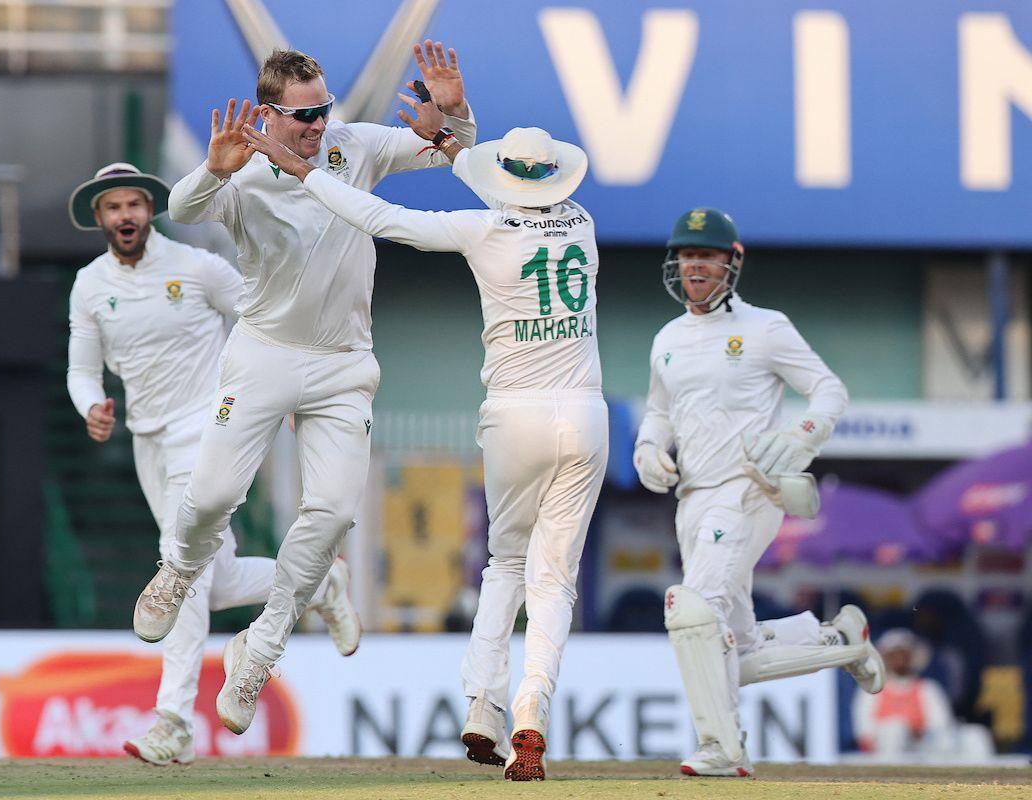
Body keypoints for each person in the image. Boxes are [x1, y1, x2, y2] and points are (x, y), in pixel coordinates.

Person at [244, 95, 605, 781]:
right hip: (584, 414)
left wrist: (302, 170)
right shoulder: (582, 223)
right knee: (553, 580)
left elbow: (384, 218)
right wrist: (443, 138)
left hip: (514, 413)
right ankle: (531, 713)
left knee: (505, 566)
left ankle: (481, 706)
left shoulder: (484, 230)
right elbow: (498, 180)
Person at [131, 43, 477, 738]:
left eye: (323, 110)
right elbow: (184, 209)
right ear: (270, 114)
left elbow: (456, 153)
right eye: (305, 116)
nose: (319, 126)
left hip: (345, 363)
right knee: (217, 494)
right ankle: (177, 568)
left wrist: (456, 113)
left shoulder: (355, 145)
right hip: (263, 354)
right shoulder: (245, 168)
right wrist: (211, 168)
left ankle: (259, 653)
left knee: (332, 511)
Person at [67, 163, 360, 765]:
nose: (125, 216)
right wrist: (90, 404)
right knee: (215, 579)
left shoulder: (197, 268)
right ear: (99, 218)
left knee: (186, 578)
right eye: (113, 208)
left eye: (134, 205)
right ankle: (319, 583)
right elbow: (81, 369)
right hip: (148, 442)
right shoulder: (90, 285)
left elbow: (264, 319)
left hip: (209, 433)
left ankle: (172, 719)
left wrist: (281, 391)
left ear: (151, 211)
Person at [634, 207, 886, 777]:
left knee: (692, 608)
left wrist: (801, 437)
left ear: (733, 260)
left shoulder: (765, 328)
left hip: (749, 491)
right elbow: (658, 411)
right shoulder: (668, 338)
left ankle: (723, 748)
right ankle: (841, 640)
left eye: (707, 255)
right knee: (734, 652)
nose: (694, 265)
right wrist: (648, 447)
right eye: (686, 255)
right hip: (693, 500)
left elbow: (828, 390)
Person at [853, 628, 993, 762]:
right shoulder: (872, 689)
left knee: (976, 734)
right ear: (885, 658)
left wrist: (917, 732)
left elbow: (941, 726)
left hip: (924, 748)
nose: (899, 658)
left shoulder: (928, 688)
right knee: (895, 728)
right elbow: (864, 731)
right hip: (885, 752)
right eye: (894, 654)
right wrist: (900, 729)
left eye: (904, 654)